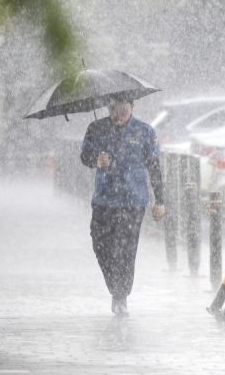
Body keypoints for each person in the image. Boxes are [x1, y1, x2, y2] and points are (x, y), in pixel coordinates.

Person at [80, 94, 165, 316]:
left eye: (123, 110)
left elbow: (155, 168)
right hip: (104, 199)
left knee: (126, 250)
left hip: (133, 201)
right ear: (107, 109)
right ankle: (114, 286)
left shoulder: (145, 132)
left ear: (133, 107)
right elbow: (84, 155)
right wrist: (96, 160)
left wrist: (160, 201)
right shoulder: (96, 128)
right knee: (100, 243)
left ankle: (121, 295)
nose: (118, 116)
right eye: (113, 110)